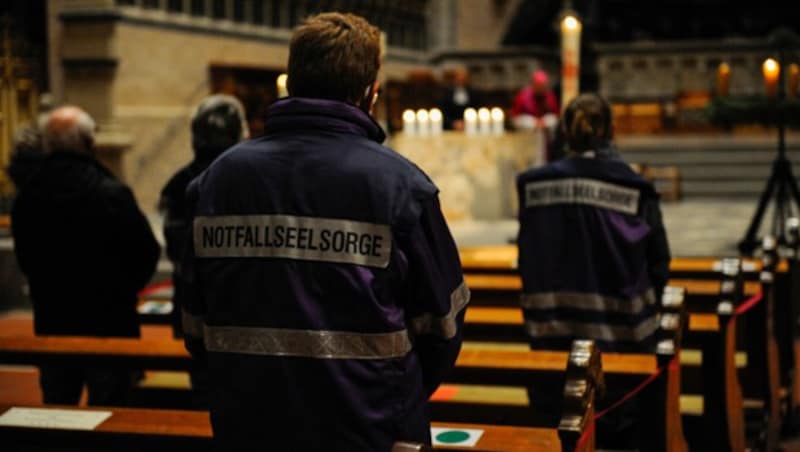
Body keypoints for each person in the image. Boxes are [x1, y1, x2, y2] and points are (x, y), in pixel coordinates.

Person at [181, 12, 468, 451]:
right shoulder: (401, 187)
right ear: (369, 92)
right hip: (371, 431)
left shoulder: (217, 181)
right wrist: (391, 396)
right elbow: (443, 328)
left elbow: (194, 325)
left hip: (250, 428)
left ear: (292, 82)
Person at [515, 93, 670, 449]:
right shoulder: (633, 186)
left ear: (566, 134)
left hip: (551, 345)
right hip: (621, 351)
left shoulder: (533, 185)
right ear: (611, 131)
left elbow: (527, 256)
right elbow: (660, 263)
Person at [11, 106, 160, 406]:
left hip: (53, 322)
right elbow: (146, 251)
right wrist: (122, 290)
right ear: (89, 142)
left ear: (47, 145)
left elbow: (25, 258)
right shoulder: (110, 192)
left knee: (57, 414)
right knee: (113, 414)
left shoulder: (28, 197)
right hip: (109, 325)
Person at [159, 94, 249, 338]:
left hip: (192, 304)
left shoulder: (179, 183)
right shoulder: (249, 180)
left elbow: (176, 248)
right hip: (238, 305)